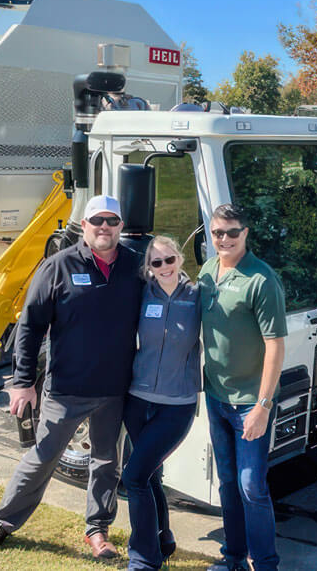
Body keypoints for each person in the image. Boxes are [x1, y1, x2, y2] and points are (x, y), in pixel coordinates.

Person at [0, 194, 143, 560]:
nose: (104, 227)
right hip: (66, 389)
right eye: (97, 221)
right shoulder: (58, 266)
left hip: (114, 389)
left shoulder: (136, 267)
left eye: (112, 221)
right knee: (41, 458)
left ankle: (98, 531)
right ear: (86, 226)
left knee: (107, 463)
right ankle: (0, 525)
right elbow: (29, 327)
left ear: (121, 227)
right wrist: (22, 382)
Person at [199, 203, 287, 571]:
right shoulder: (207, 271)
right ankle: (232, 556)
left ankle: (265, 562)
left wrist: (263, 406)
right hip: (217, 398)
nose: (224, 239)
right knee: (227, 484)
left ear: (245, 234)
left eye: (232, 232)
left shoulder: (261, 280)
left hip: (250, 403)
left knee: (252, 486)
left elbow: (276, 346)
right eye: (218, 232)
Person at [122, 235, 201, 571]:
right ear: (149, 268)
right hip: (138, 401)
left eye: (169, 259)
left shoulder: (198, 296)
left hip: (177, 404)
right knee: (150, 475)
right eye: (157, 263)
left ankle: (144, 560)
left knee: (134, 476)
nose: (164, 267)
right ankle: (164, 538)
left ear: (179, 260)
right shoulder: (142, 294)